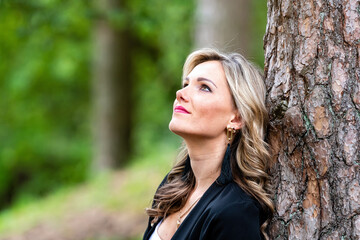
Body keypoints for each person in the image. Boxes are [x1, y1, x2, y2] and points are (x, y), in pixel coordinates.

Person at [143, 48, 274, 240]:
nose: (181, 93)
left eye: (204, 87)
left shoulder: (235, 212)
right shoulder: (171, 188)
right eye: (186, 84)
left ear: (237, 118)